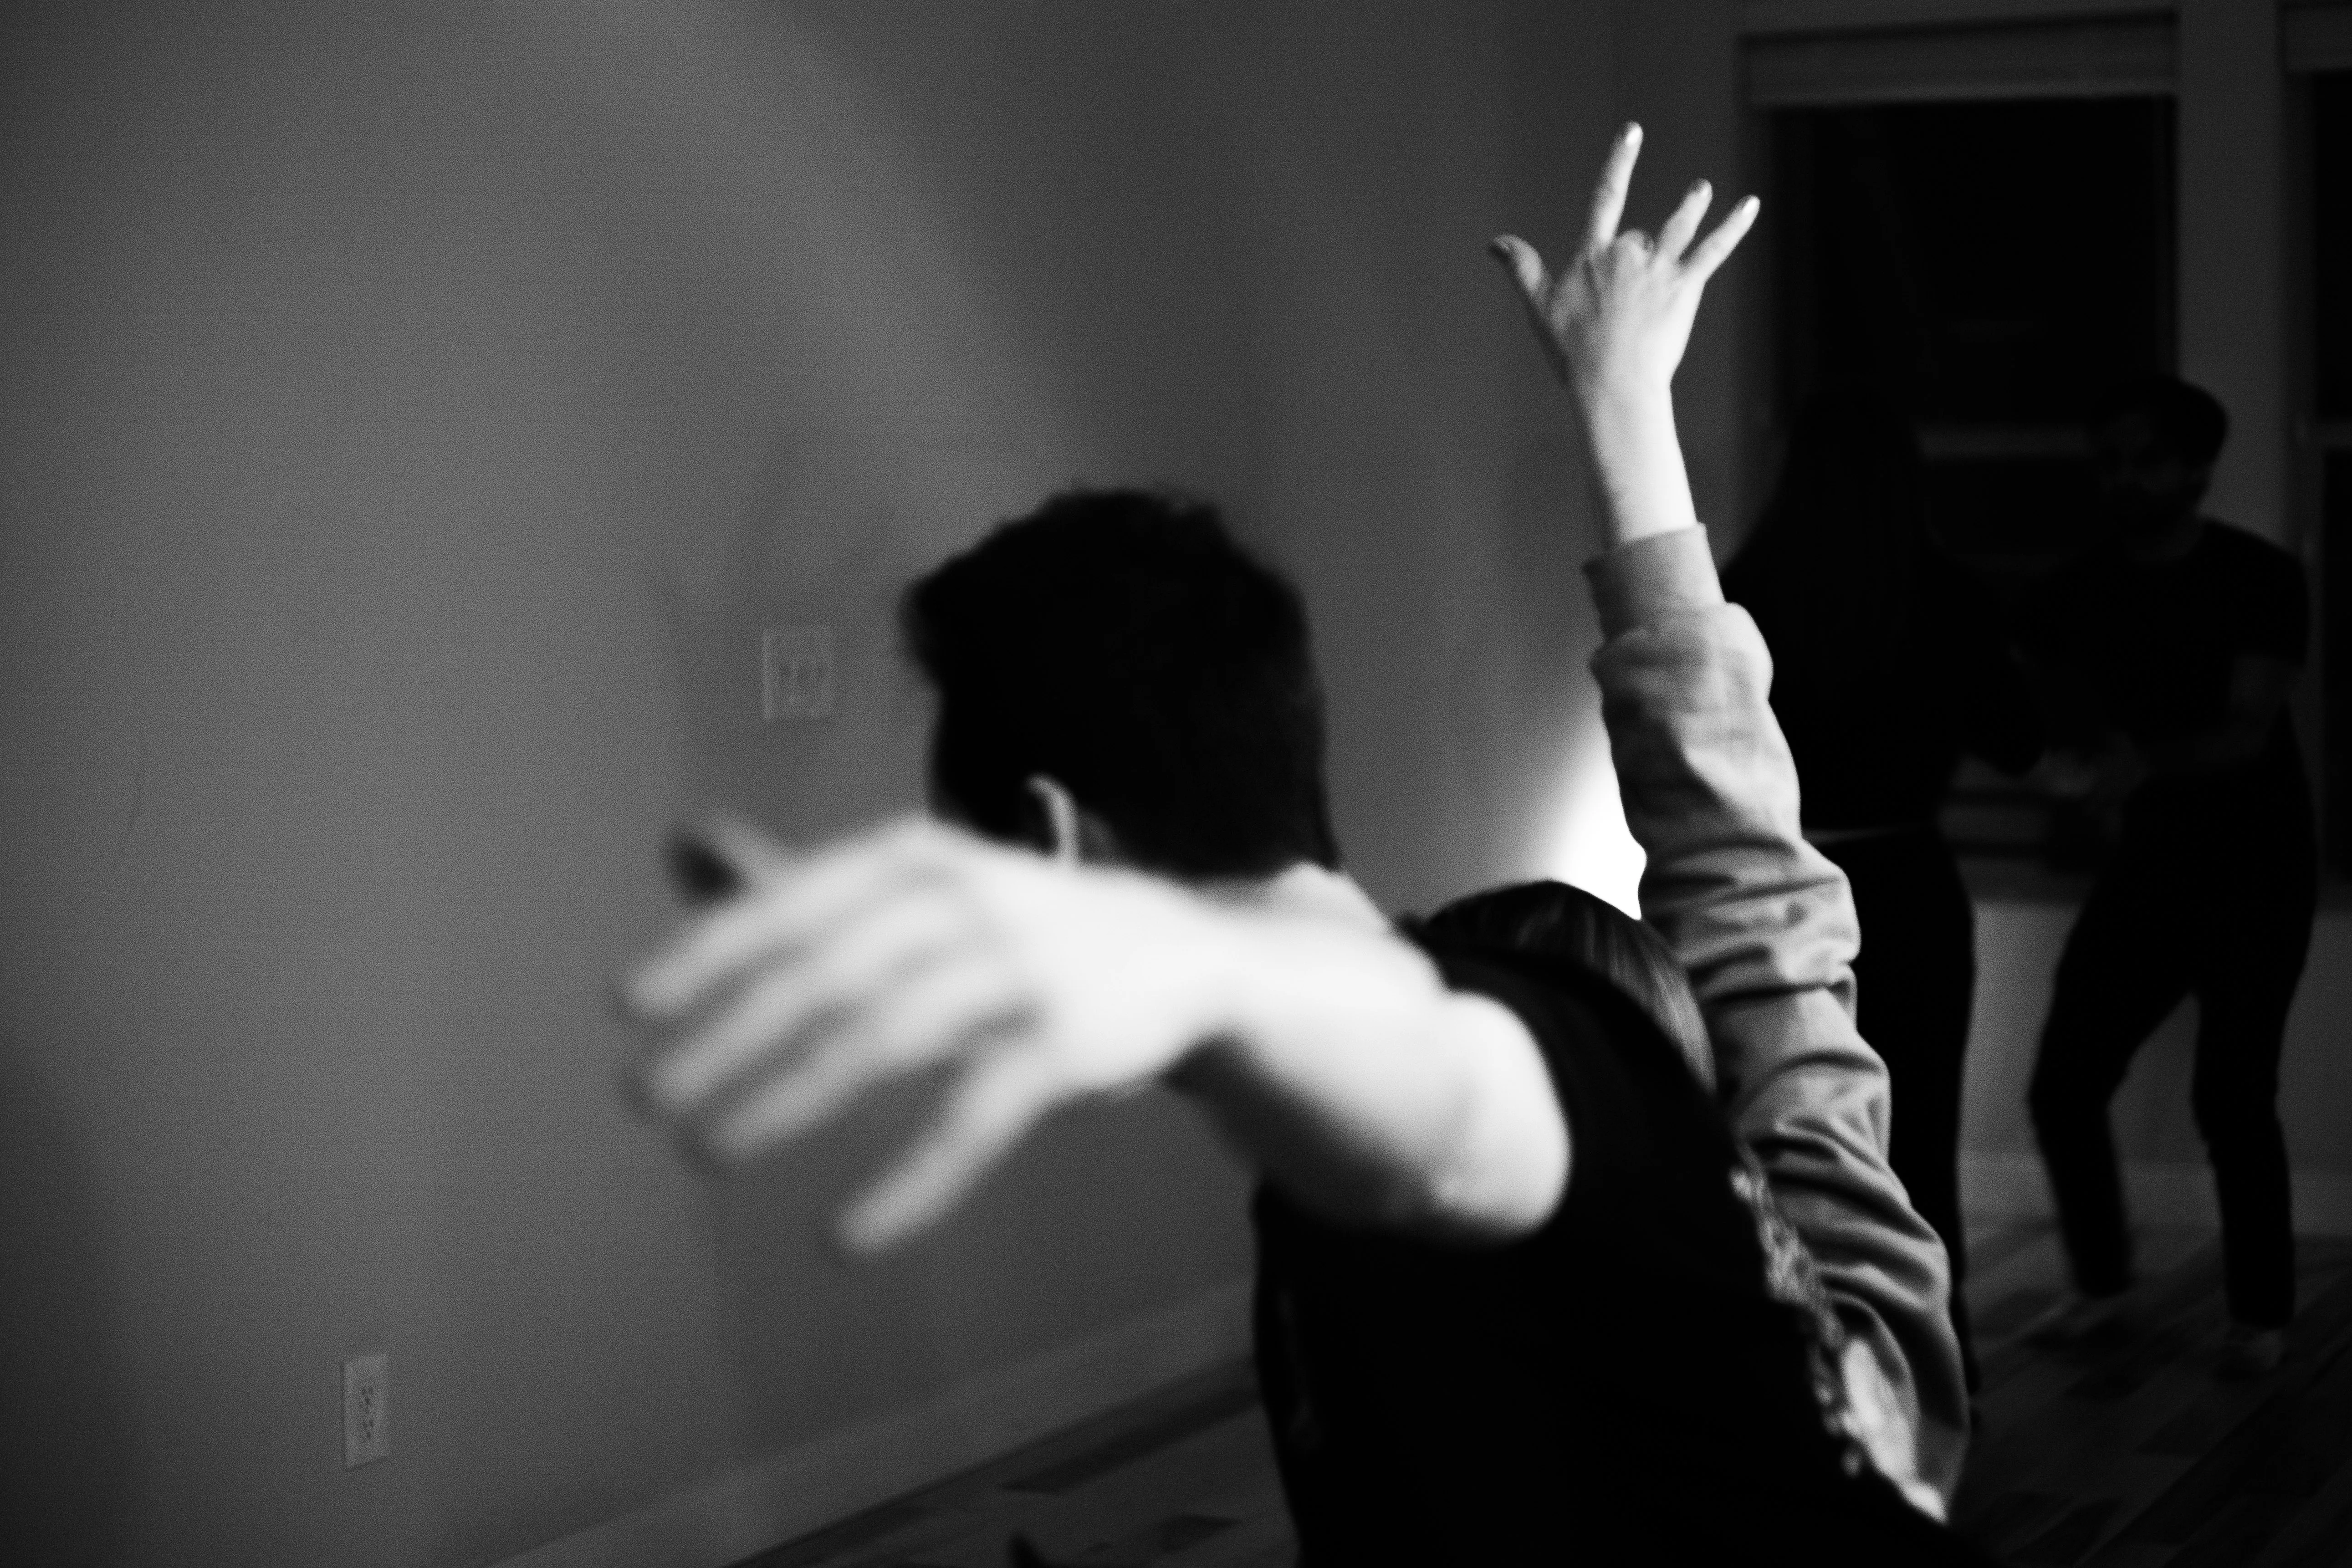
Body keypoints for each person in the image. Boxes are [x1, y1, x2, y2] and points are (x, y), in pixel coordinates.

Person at [619, 127, 1987, 1560]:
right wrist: (1625, 422)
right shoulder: (1856, 1370)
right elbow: (1762, 926)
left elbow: (1459, 1109)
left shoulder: (1503, 1064)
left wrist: (1201, 976)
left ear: (1049, 836)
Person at [1723, 386, 2043, 1389]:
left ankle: (1793, 1377)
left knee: (1779, 1135)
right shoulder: (1944, 593)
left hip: (1781, 884)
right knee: (1920, 1140)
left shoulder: (1749, 588)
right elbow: (2019, 742)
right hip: (1904, 882)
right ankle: (1935, 1373)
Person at [2019, 373, 2316, 1376]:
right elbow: (2042, 707)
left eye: (2143, 458)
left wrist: (2135, 761)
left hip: (2254, 866)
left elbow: (2243, 728)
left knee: (2232, 1097)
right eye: (2107, 460)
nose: (2122, 478)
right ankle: (2100, 1287)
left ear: (2194, 468)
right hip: (2144, 866)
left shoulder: (2258, 577)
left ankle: (2258, 1314)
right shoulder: (2075, 587)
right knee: (2063, 1082)